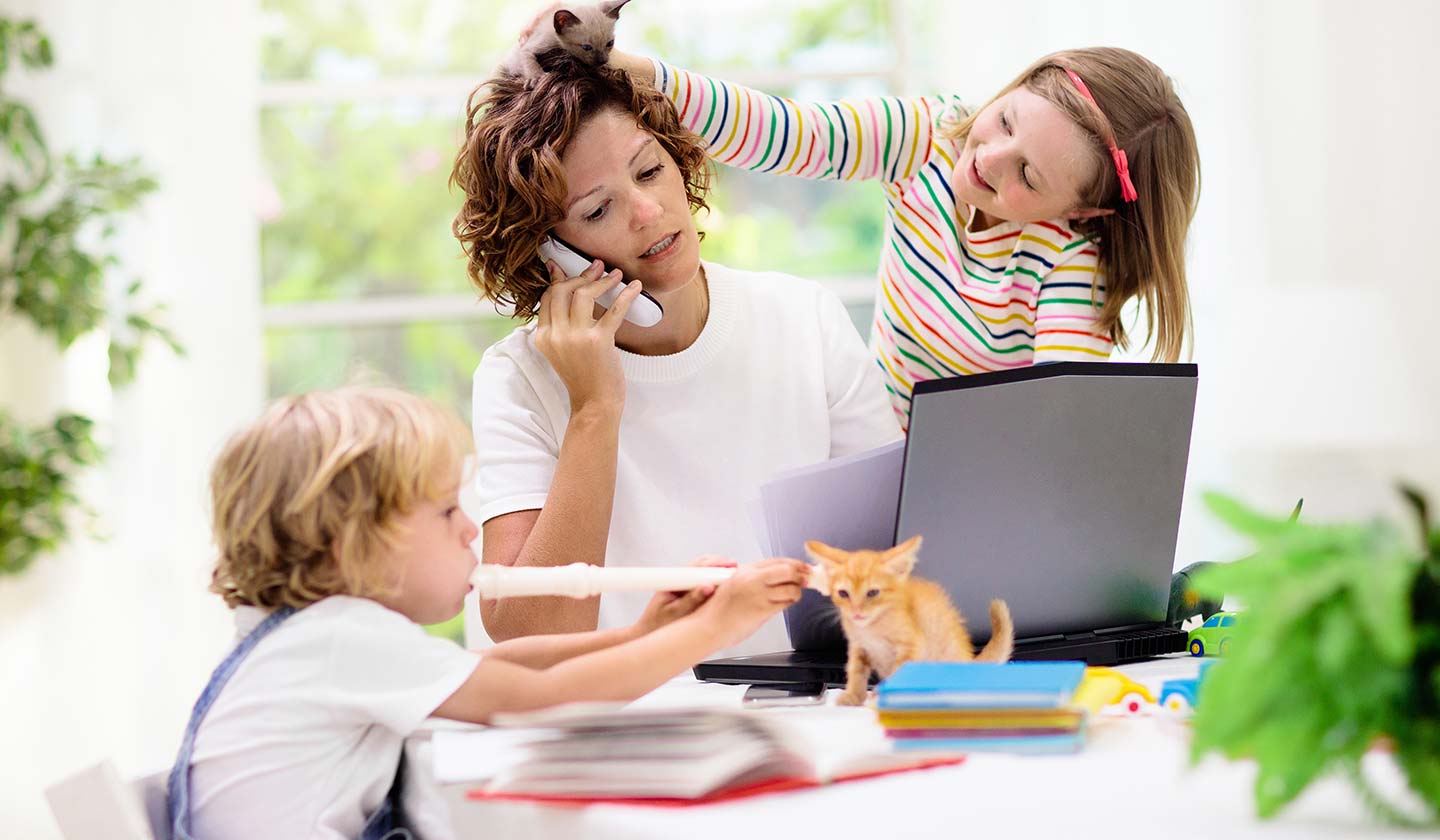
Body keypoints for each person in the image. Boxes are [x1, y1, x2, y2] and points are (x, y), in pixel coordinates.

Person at [167, 386, 809, 840]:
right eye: (446, 511)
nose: (471, 529)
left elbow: (496, 667)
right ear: (357, 545)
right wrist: (713, 629)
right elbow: (534, 697)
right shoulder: (339, 637)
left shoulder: (313, 640)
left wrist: (647, 633)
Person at [450, 54, 902, 652]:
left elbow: (898, 559)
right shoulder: (518, 380)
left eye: (647, 171)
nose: (648, 211)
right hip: (613, 723)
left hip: (801, 707)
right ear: (547, 254)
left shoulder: (802, 318)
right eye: (597, 209)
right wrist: (593, 408)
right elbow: (529, 635)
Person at [606, 46, 1201, 427]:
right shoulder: (929, 136)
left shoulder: (1072, 261)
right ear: (1016, 84)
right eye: (1006, 121)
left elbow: (1057, 419)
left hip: (970, 486)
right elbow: (787, 134)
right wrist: (638, 71)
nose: (990, 158)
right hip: (868, 442)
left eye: (1028, 174)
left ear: (1085, 211)